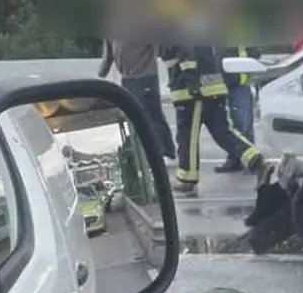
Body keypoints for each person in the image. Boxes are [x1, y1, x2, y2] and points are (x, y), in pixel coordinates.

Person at [161, 43, 263, 196]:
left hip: (193, 93)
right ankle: (256, 160)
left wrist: (192, 83)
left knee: (188, 137)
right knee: (223, 132)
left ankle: (187, 178)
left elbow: (187, 55)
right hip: (211, 88)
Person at [97, 39, 177, 160]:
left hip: (146, 75)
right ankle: (143, 153)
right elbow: (108, 53)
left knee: (151, 115)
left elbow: (159, 44)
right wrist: (102, 72)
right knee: (132, 118)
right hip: (127, 78)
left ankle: (167, 152)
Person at [215, 44, 262, 174]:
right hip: (227, 79)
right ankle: (245, 158)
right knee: (238, 120)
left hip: (237, 80)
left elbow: (253, 51)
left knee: (240, 122)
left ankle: (244, 158)